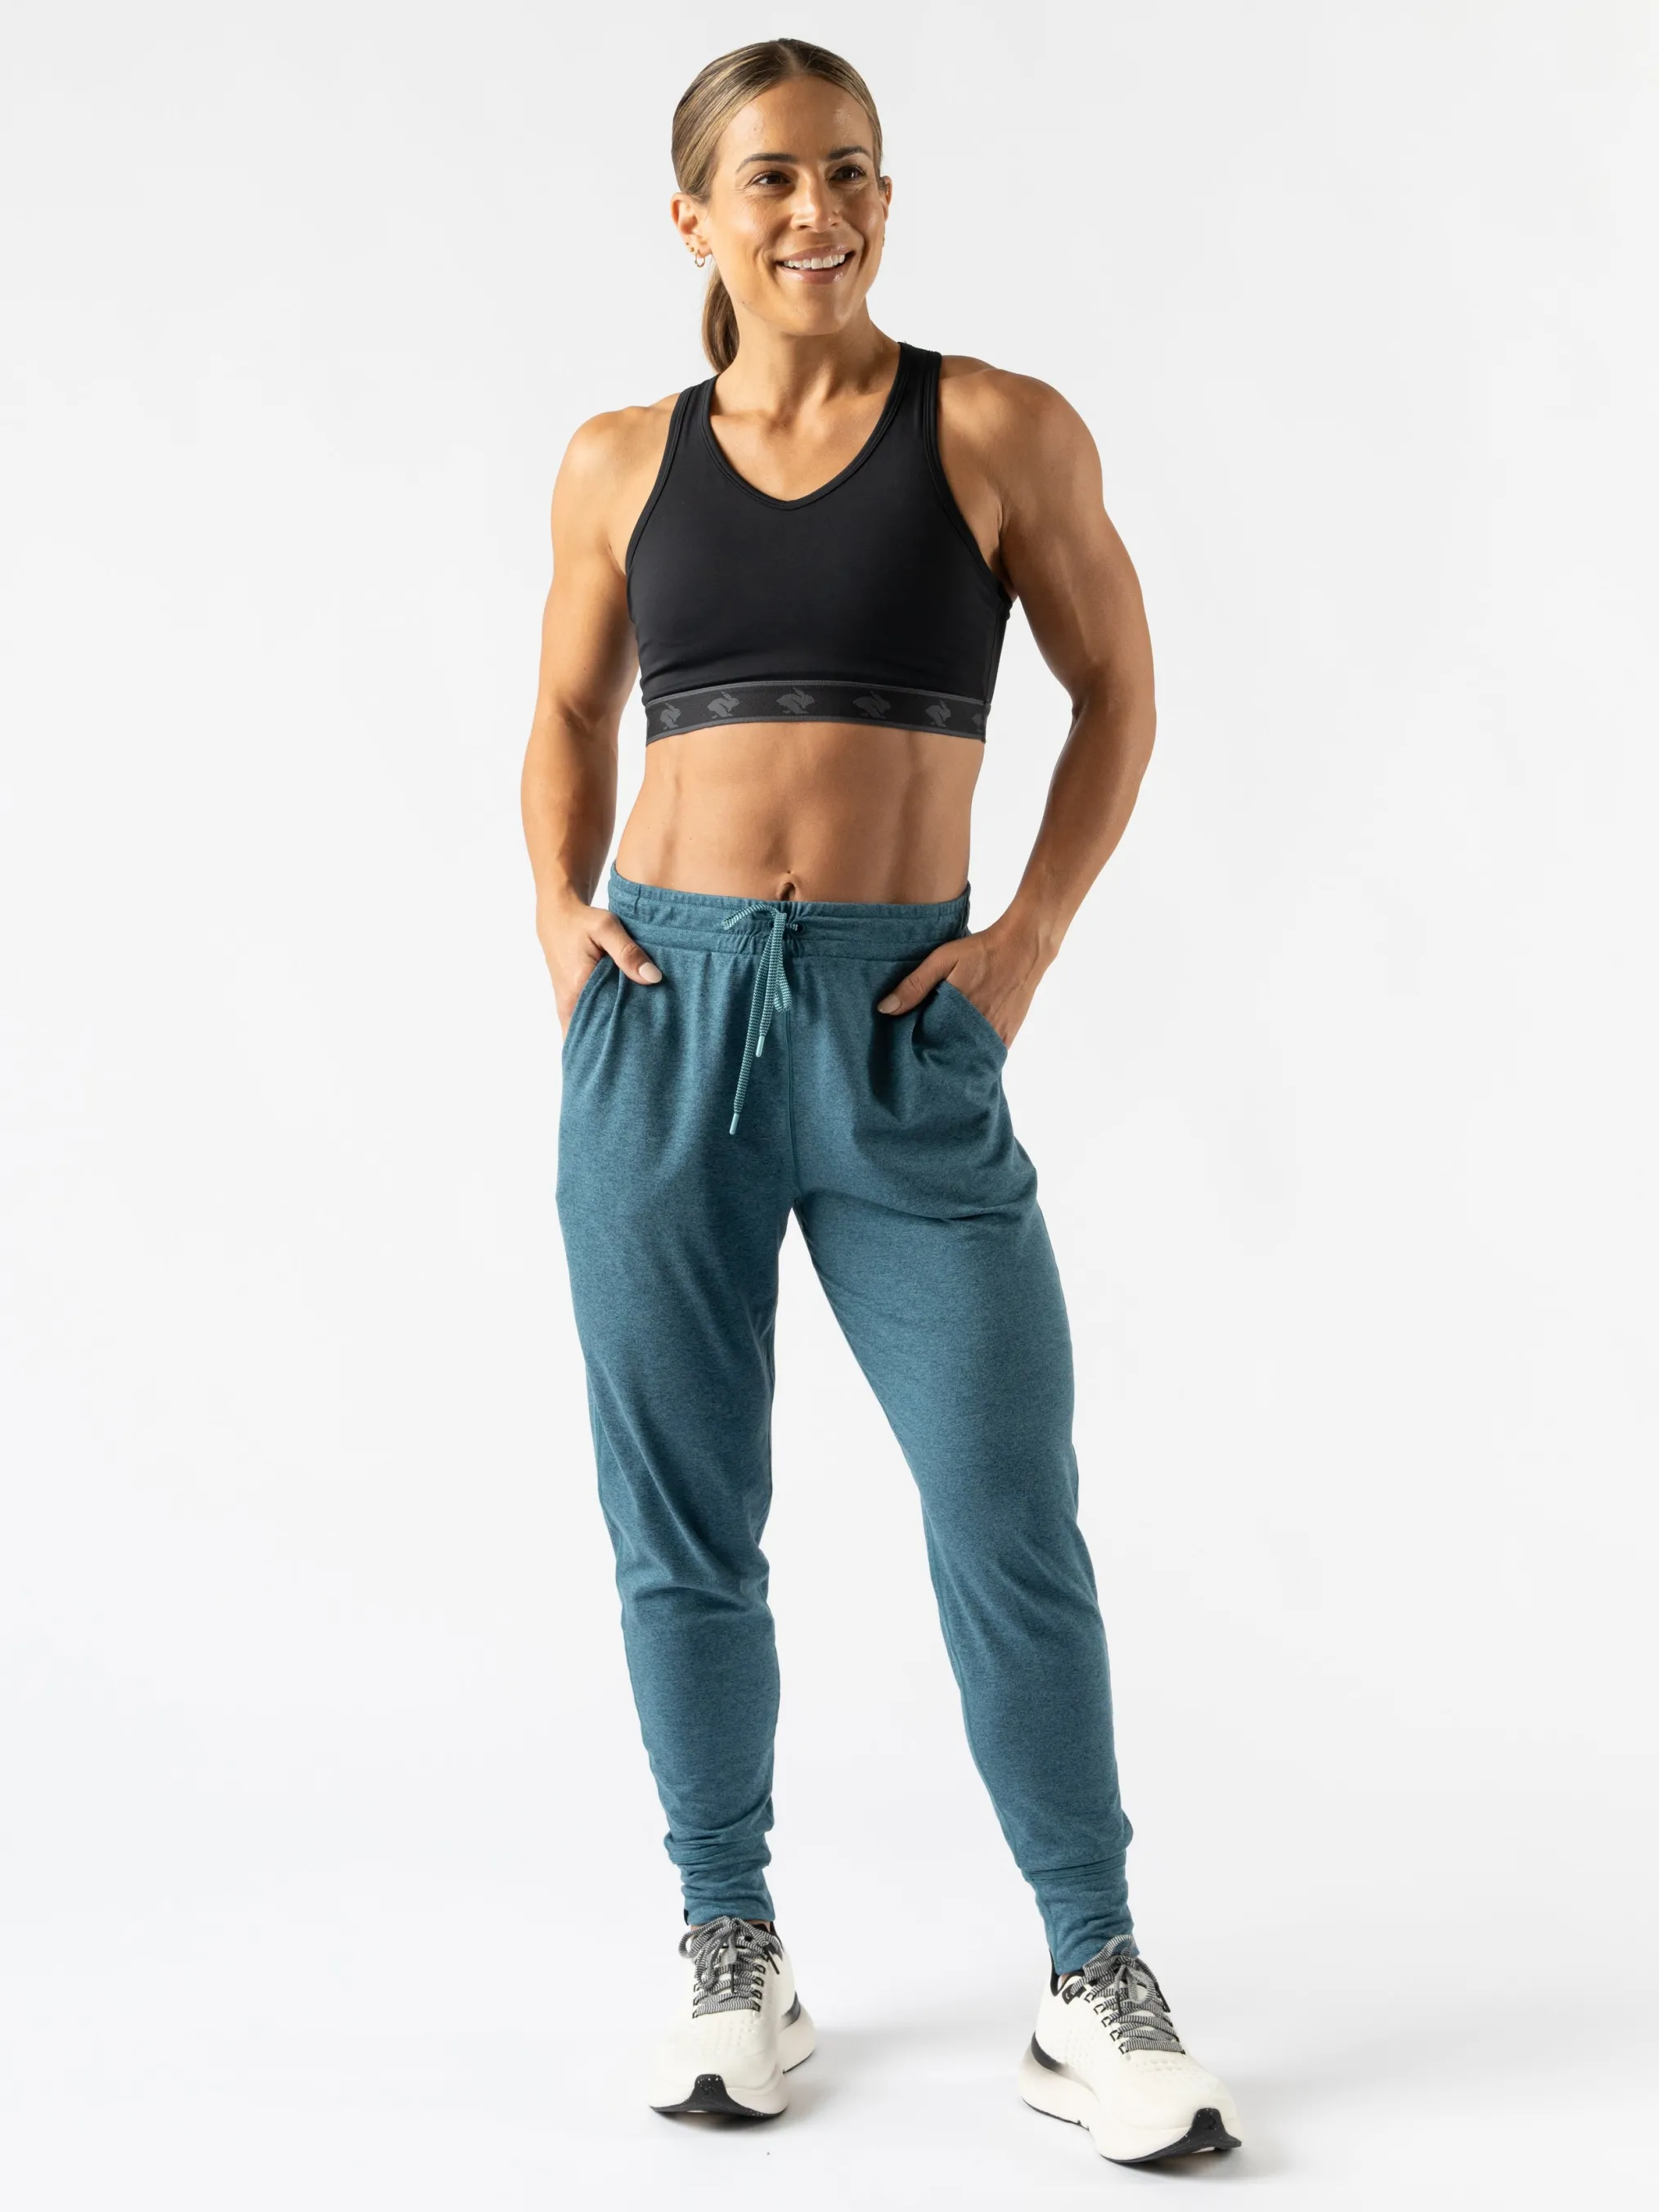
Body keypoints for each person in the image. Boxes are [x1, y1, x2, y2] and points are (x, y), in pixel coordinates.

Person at [519, 37, 1242, 2168]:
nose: (817, 211)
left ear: (884, 195)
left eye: (849, 171)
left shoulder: (996, 429)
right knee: (684, 1528)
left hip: (900, 1027)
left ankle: (1091, 1974)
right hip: (662, 1020)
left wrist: (1022, 942)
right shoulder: (617, 459)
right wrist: (556, 916)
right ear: (695, 218)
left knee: (1004, 1507)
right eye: (770, 178)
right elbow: (563, 706)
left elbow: (1118, 689)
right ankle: (727, 1941)